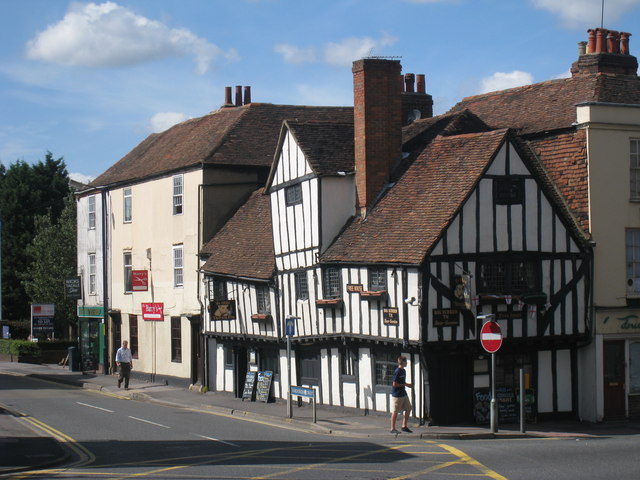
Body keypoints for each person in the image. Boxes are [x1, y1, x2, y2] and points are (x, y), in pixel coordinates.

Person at [390, 355, 413, 434]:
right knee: (395, 411)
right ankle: (392, 428)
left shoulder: (403, 371)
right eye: (406, 361)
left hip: (403, 393)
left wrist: (407, 384)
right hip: (397, 395)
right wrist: (405, 385)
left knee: (408, 408)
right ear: (402, 362)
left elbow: (402, 382)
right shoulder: (397, 371)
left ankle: (404, 426)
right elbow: (394, 384)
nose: (406, 363)